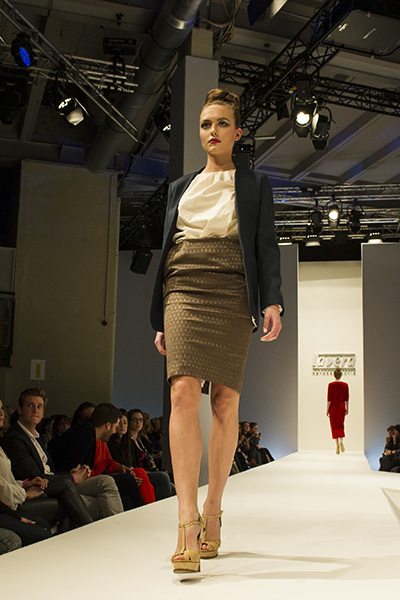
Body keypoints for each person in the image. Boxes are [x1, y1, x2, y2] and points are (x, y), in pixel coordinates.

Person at [150, 88, 283, 574]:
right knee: (182, 391)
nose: (213, 131)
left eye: (222, 123)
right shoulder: (180, 187)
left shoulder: (254, 184)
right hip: (184, 283)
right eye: (206, 124)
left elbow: (265, 244)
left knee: (225, 399)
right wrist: (159, 317)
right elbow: (167, 248)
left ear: (237, 132)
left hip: (232, 287)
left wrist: (272, 301)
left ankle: (214, 508)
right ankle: (186, 522)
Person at [2, 389, 121, 525]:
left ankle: (114, 529)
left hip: (57, 483)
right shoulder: (15, 438)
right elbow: (34, 476)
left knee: (105, 485)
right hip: (40, 488)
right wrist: (72, 477)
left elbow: (50, 471)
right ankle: (108, 530)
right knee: (102, 493)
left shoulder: (36, 437)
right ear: (20, 410)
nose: (36, 410)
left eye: (39, 406)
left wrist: (70, 474)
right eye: (30, 406)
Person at [327, 368, 349, 454]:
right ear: (341, 375)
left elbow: (329, 399)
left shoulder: (330, 385)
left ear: (334, 375)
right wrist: (347, 409)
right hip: (341, 407)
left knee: (334, 426)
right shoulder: (345, 385)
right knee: (341, 425)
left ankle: (337, 444)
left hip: (333, 408)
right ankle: (341, 442)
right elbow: (346, 399)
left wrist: (327, 410)